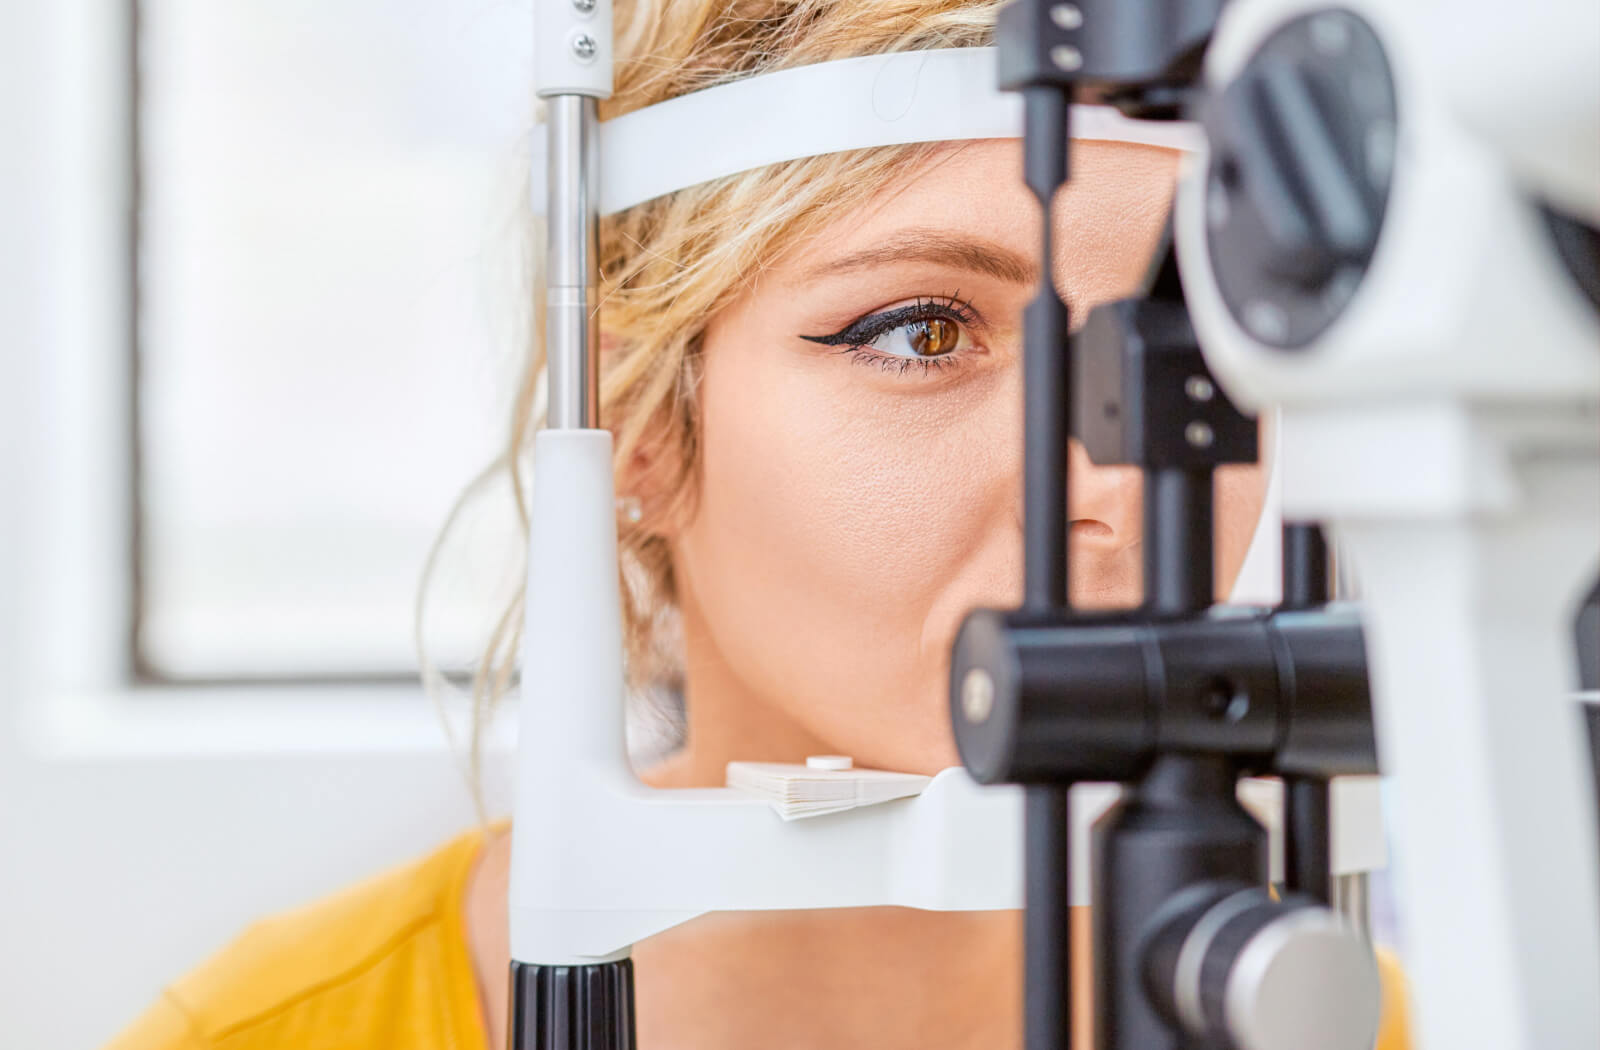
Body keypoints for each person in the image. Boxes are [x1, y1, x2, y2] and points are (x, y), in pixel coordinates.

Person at [107, 2, 1411, 1048]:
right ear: (640, 427)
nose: (1107, 480)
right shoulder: (272, 1029)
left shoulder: (1359, 1015)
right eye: (922, 332)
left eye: (1177, 343)